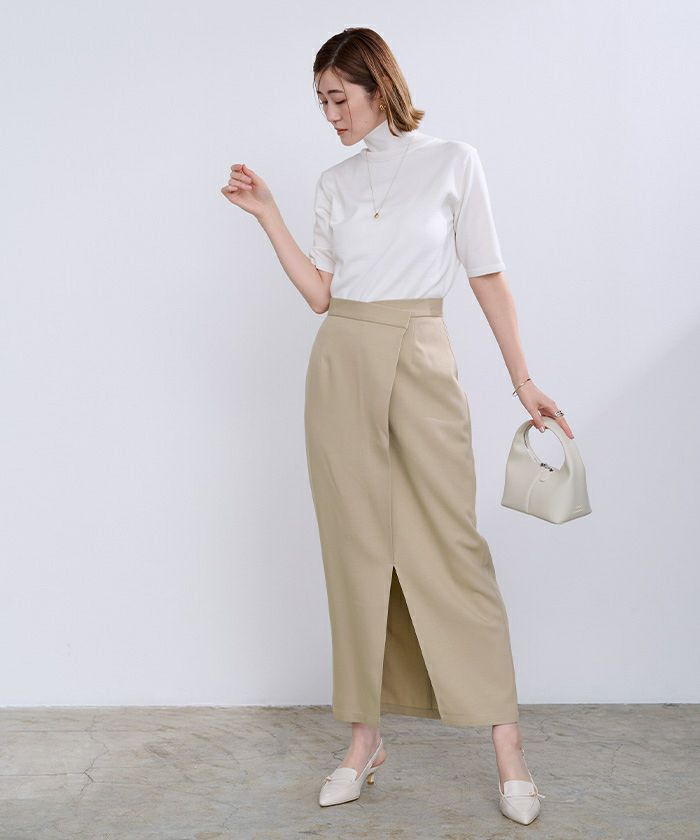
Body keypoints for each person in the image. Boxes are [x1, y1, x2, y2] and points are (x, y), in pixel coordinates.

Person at [222, 26, 571, 828]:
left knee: (452, 548)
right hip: (341, 362)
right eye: (320, 102)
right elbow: (321, 294)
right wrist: (268, 214)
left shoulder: (453, 162)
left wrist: (522, 379)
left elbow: (487, 275)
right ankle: (364, 740)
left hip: (420, 356)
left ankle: (509, 749)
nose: (330, 115)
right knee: (355, 555)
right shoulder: (335, 181)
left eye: (339, 98)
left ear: (378, 86)